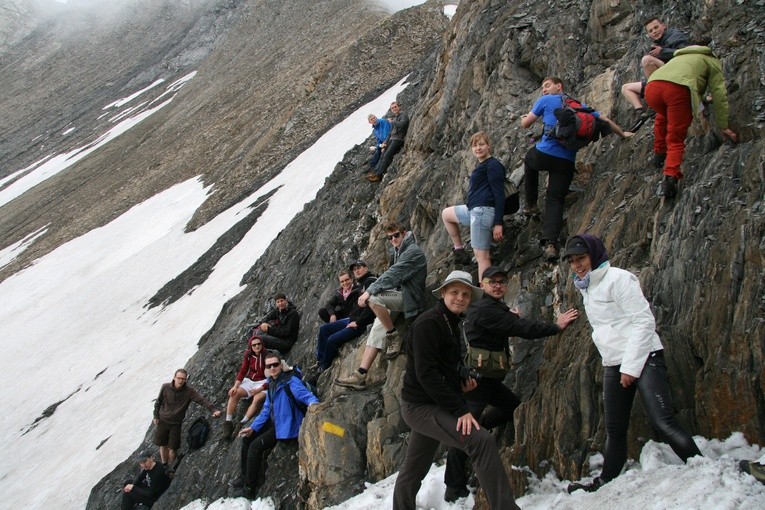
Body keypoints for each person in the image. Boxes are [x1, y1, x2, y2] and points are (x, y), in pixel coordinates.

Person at [562, 234, 702, 493]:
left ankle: (705, 469)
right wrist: (618, 364)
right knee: (614, 428)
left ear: (594, 254)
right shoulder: (586, 286)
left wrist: (630, 366)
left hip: (644, 356)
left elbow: (644, 321)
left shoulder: (619, 278)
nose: (577, 265)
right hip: (614, 362)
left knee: (663, 421)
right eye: (572, 261)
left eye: (581, 258)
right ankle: (605, 482)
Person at [443, 266, 578, 501]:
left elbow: (505, 321)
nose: (497, 285)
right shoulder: (487, 309)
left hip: (489, 378)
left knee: (511, 408)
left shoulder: (489, 305)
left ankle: (480, 430)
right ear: (482, 285)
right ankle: (453, 487)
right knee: (463, 432)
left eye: (501, 282)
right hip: (476, 381)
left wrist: (508, 314)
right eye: (492, 282)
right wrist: (556, 326)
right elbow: (523, 329)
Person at [392, 270, 520, 510]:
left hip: (431, 403)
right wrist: (461, 410)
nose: (460, 298)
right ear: (443, 294)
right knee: (480, 440)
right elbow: (426, 374)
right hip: (421, 406)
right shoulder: (429, 324)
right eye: (454, 292)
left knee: (413, 471)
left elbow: (445, 367)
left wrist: (460, 383)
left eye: (465, 294)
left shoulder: (450, 321)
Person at [520, 76, 633, 261]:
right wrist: (623, 133)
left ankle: (531, 204)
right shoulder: (578, 105)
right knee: (555, 199)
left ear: (559, 86)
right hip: (565, 162)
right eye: (542, 87)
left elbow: (526, 124)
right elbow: (604, 119)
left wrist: (523, 119)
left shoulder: (546, 100)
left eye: (547, 85)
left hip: (544, 154)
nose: (544, 89)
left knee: (528, 161)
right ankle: (550, 245)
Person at [334, 221, 427, 389]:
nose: (393, 239)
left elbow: (393, 274)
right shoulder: (398, 250)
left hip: (411, 298)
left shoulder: (412, 252)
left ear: (404, 233)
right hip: (399, 296)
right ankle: (361, 374)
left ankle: (393, 334)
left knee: (372, 298)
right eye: (390, 237)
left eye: (396, 235)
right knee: (377, 328)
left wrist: (370, 291)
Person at [644, 45, 738, 199]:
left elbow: (686, 79)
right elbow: (719, 93)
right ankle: (670, 177)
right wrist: (723, 126)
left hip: (652, 87)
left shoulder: (680, 57)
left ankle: (659, 154)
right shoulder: (710, 60)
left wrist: (699, 98)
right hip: (676, 91)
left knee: (662, 116)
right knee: (676, 137)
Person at [236, 351, 319, 498]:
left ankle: (249, 489)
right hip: (278, 421)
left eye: (275, 364)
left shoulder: (291, 381)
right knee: (247, 439)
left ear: (281, 365)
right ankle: (243, 477)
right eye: (269, 366)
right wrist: (253, 427)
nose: (273, 368)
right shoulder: (272, 384)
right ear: (266, 369)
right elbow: (267, 409)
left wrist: (315, 407)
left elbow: (307, 397)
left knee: (255, 447)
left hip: (288, 425)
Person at [441, 131, 505, 280]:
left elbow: (499, 194)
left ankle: (486, 291)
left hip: (483, 211)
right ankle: (459, 250)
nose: (478, 148)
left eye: (481, 144)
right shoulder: (482, 165)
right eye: (475, 145)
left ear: (488, 146)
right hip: (474, 210)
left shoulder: (493, 165)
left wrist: (498, 223)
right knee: (446, 214)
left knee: (482, 256)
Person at [621, 17, 689, 131]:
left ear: (664, 26)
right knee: (626, 88)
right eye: (651, 31)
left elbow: (685, 52)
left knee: (647, 60)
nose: (654, 31)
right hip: (663, 78)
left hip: (676, 75)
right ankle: (641, 113)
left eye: (656, 27)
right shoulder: (657, 44)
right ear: (648, 34)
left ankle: (654, 100)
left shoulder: (674, 35)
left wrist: (662, 51)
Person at [316, 260, 377, 371]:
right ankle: (320, 361)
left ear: (366, 268)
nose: (357, 271)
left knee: (331, 340)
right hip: (351, 319)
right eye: (354, 269)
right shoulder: (361, 285)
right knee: (323, 329)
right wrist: (333, 315)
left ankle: (325, 364)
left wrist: (358, 322)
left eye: (359, 268)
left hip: (358, 323)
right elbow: (329, 304)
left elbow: (371, 307)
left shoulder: (367, 283)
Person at [153, 369, 221, 467]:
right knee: (162, 444)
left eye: (183, 379)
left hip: (176, 423)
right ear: (174, 377)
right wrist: (155, 416)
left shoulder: (189, 391)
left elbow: (201, 400)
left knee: (173, 447)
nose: (180, 381)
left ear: (186, 379)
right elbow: (158, 402)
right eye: (179, 378)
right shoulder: (165, 387)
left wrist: (213, 410)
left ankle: (172, 465)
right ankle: (164, 465)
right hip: (162, 420)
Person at [222, 335, 269, 440]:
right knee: (235, 393)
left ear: (262, 344)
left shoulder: (267, 355)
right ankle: (228, 422)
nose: (257, 346)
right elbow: (243, 370)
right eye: (254, 345)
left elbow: (272, 378)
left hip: (263, 382)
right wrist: (235, 386)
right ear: (251, 346)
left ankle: (242, 422)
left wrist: (261, 388)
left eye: (259, 344)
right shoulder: (248, 355)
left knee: (257, 399)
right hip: (251, 380)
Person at [366, 101, 409, 182]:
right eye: (392, 108)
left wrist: (392, 122)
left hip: (399, 138)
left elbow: (402, 124)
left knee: (387, 155)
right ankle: (375, 172)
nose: (394, 109)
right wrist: (384, 143)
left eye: (395, 107)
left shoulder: (404, 115)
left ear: (399, 107)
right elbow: (390, 133)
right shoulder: (395, 118)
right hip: (392, 138)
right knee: (383, 153)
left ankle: (378, 175)